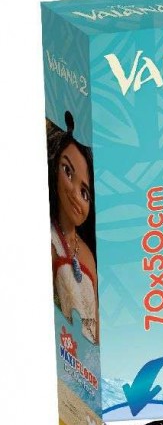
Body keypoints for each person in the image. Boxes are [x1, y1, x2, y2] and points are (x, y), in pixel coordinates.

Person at [47, 112, 98, 343]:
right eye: (67, 171)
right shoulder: (51, 241)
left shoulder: (87, 253)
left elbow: (96, 317)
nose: (76, 196)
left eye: (85, 193)